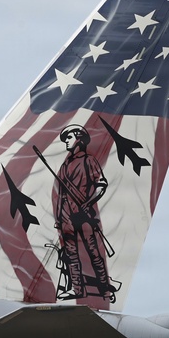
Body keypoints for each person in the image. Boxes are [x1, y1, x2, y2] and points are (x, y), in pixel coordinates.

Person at [54, 124, 115, 300]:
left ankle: (105, 290)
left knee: (94, 253)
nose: (66, 141)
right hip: (66, 216)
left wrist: (88, 204)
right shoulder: (65, 165)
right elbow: (63, 195)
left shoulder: (89, 160)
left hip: (84, 215)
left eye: (69, 138)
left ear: (79, 138)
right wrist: (59, 217)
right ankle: (77, 289)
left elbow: (101, 185)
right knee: (71, 254)